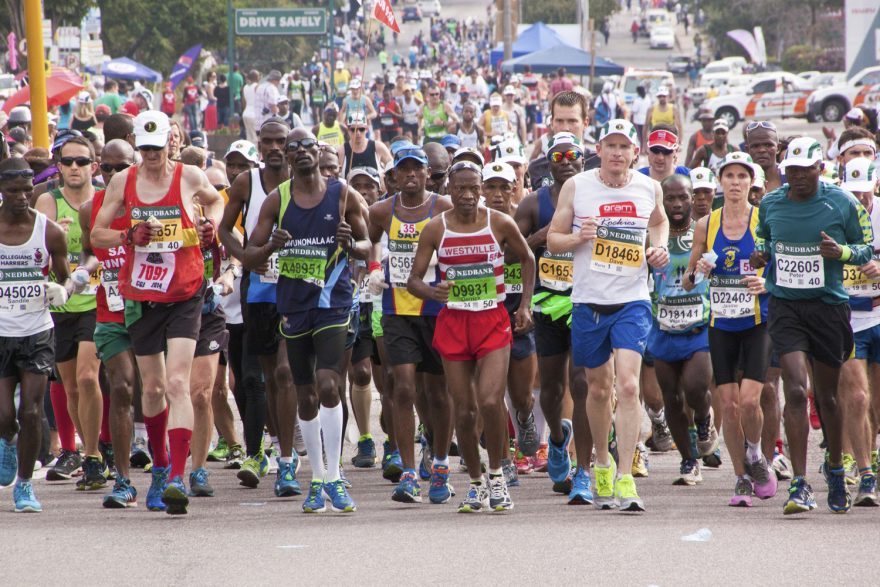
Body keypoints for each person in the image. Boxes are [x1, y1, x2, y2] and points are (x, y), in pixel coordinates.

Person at [90, 111, 224, 515]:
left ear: (170, 143)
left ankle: (178, 478)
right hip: (142, 296)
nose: (150, 155)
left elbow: (217, 202)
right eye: (143, 148)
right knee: (151, 388)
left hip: (184, 292)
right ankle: (161, 468)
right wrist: (128, 236)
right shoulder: (122, 181)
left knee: (178, 384)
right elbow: (97, 234)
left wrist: (210, 228)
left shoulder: (187, 177)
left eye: (156, 147)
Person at [547, 119, 670, 512]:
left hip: (632, 300)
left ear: (635, 152)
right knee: (599, 389)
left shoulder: (649, 187)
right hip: (588, 301)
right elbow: (553, 238)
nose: (618, 153)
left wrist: (659, 248)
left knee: (629, 387)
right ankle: (601, 460)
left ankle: (625, 476)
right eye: (610, 145)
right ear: (598, 149)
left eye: (625, 146)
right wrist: (579, 237)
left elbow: (660, 221)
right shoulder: (578, 186)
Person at [244, 127, 368, 513]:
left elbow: (368, 245)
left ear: (319, 150)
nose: (298, 152)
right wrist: (270, 247)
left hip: (333, 302)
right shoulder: (276, 201)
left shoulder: (342, 192)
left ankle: (334, 476)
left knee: (330, 385)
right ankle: (316, 477)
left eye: (305, 146)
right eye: (291, 147)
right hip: (294, 307)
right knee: (306, 395)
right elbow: (250, 257)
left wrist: (352, 243)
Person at [751, 137, 874, 515]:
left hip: (828, 308)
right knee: (794, 389)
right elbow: (764, 239)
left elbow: (865, 247)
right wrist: (762, 253)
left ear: (821, 168)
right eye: (792, 171)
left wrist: (842, 253)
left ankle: (836, 468)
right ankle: (801, 484)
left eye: (806, 170)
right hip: (787, 307)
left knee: (829, 398)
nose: (798, 177)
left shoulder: (843, 203)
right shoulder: (771, 202)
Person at [406, 160, 535, 512]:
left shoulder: (500, 223)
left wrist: (525, 305)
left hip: (492, 320)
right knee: (464, 411)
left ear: (481, 190)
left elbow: (527, 259)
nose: (467, 195)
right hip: (454, 322)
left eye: (473, 189)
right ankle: (476, 483)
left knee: (491, 402)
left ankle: (497, 476)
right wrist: (431, 293)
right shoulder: (435, 229)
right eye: (460, 188)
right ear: (449, 189)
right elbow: (413, 279)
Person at [683, 152, 775, 505]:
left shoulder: (763, 219)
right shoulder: (707, 224)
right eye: (729, 176)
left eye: (742, 176)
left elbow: (779, 266)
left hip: (756, 321)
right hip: (720, 322)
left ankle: (754, 452)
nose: (735, 182)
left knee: (751, 400)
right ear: (720, 182)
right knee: (729, 404)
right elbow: (689, 282)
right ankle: (740, 478)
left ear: (751, 182)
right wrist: (698, 273)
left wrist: (767, 283)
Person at [366, 145, 455, 504]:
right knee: (402, 388)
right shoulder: (381, 210)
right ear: (394, 176)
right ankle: (406, 473)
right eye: (404, 170)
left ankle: (440, 462)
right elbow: (369, 241)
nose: (412, 176)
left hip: (435, 309)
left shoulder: (443, 208)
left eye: (418, 169)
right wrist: (374, 268)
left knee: (437, 392)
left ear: (427, 174)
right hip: (397, 309)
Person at [219, 119, 300, 496]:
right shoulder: (246, 182)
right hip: (259, 290)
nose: (273, 147)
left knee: (284, 373)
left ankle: (287, 458)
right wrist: (245, 257)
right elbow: (224, 229)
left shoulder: (304, 181)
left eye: (280, 141)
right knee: (259, 376)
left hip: (297, 288)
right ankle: (263, 449)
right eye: (266, 141)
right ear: (259, 143)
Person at [514, 132, 591, 498]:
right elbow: (510, 253)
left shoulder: (595, 199)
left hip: (585, 301)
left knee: (581, 384)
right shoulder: (532, 204)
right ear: (549, 162)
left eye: (573, 154)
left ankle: (583, 471)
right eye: (559, 156)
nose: (567, 161)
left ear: (583, 158)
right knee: (551, 389)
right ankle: (558, 440)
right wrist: (544, 235)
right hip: (547, 304)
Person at [0, 158, 73, 513]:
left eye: (27, 190)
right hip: (0, 332)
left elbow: (65, 277)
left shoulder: (49, 231)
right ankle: (7, 440)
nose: (22, 197)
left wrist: (63, 289)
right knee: (4, 415)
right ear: (1, 190)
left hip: (36, 330)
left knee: (31, 411)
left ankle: (25, 487)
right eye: (13, 191)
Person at [36, 136, 105, 489]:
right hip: (58, 301)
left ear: (94, 165)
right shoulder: (47, 201)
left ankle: (93, 455)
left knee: (88, 377)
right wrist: (52, 243)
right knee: (70, 386)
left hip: (96, 300)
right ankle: (83, 448)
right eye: (68, 162)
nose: (74, 167)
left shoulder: (103, 200)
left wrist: (79, 274)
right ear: (58, 167)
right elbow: (33, 250)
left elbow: (99, 249)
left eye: (82, 161)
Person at [77, 139, 142, 507]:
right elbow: (90, 252)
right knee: (121, 386)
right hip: (110, 311)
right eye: (107, 168)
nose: (114, 175)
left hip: (152, 308)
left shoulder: (151, 203)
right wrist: (81, 275)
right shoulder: (92, 209)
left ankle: (166, 466)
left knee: (154, 390)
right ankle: (123, 479)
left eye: (122, 168)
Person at [649, 174, 714, 486]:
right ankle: (689, 462)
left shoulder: (705, 232)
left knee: (694, 387)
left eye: (683, 197)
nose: (676, 204)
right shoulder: (653, 235)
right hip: (662, 327)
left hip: (699, 325)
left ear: (693, 198)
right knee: (671, 398)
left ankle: (704, 419)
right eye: (670, 198)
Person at [836, 154, 880, 505]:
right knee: (858, 398)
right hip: (847, 320)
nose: (859, 200)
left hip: (879, 317)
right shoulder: (834, 213)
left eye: (864, 193)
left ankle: (870, 455)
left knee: (876, 402)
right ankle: (863, 471)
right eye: (853, 193)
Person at [339, 111, 392, 177]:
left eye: (361, 129)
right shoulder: (342, 151)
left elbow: (392, 169)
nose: (358, 133)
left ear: (367, 129)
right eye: (354, 129)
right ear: (348, 130)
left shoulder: (378, 147)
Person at [630, 86, 652, 151]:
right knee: (645, 135)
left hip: (638, 121)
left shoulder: (637, 100)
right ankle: (646, 149)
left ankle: (642, 149)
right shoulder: (648, 98)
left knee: (640, 136)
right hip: (647, 120)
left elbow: (634, 110)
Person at [242, 70, 260, 144]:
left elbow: (243, 102)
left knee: (249, 136)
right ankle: (255, 154)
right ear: (256, 77)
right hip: (254, 113)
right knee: (255, 137)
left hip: (246, 113)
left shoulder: (245, 87)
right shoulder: (257, 86)